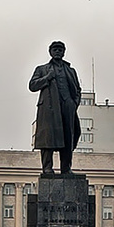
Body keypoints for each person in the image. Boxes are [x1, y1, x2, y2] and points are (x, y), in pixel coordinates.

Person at [28, 40, 82, 174]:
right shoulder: (42, 69)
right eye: (55, 49)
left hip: (67, 107)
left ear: (64, 52)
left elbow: (77, 89)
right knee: (48, 138)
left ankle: (66, 168)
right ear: (50, 52)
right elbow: (32, 86)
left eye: (60, 49)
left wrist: (74, 103)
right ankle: (47, 168)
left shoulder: (70, 70)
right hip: (50, 109)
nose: (57, 51)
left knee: (68, 138)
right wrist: (47, 78)